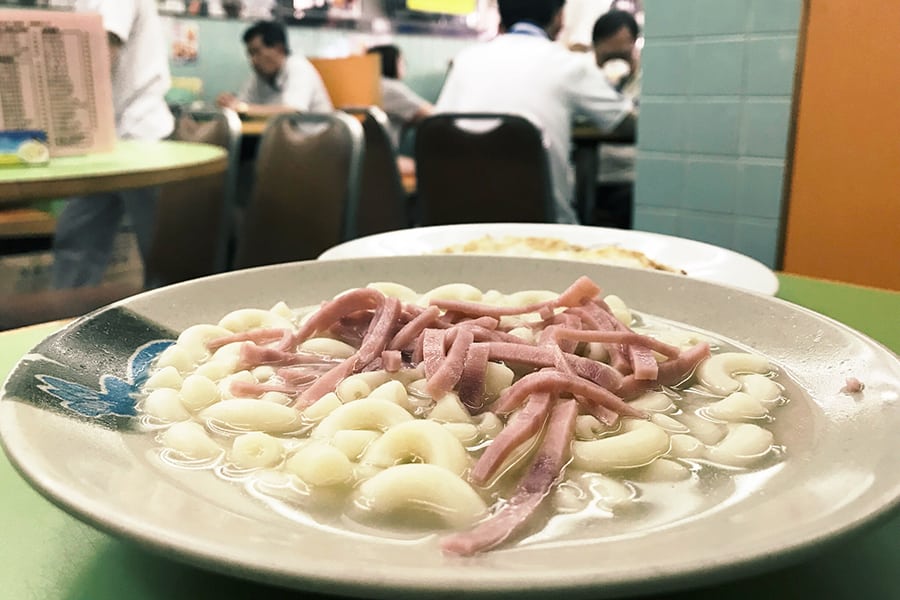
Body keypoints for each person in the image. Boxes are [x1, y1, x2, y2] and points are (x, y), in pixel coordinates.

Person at [435, 0, 635, 224]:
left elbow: (435, 131)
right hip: (542, 229)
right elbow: (629, 123)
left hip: (457, 226)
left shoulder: (464, 60)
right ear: (559, 17)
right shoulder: (568, 65)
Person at [52, 0, 174, 289]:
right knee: (77, 240)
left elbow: (101, 53)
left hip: (140, 139)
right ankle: (65, 323)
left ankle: (175, 326)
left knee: (161, 257)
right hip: (105, 142)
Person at [216, 20, 333, 116]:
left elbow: (292, 110)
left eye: (257, 52)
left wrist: (243, 108)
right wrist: (230, 103)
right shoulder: (260, 76)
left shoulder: (298, 67)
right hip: (283, 138)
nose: (253, 60)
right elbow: (242, 103)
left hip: (315, 140)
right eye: (250, 54)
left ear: (279, 49)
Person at [591, 9, 640, 229]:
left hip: (627, 176)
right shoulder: (591, 81)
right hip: (592, 173)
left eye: (621, 53)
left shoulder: (646, 81)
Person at [366, 44, 434, 150]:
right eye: (401, 61)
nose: (405, 65)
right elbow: (433, 115)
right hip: (383, 160)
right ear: (391, 62)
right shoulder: (390, 88)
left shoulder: (368, 85)